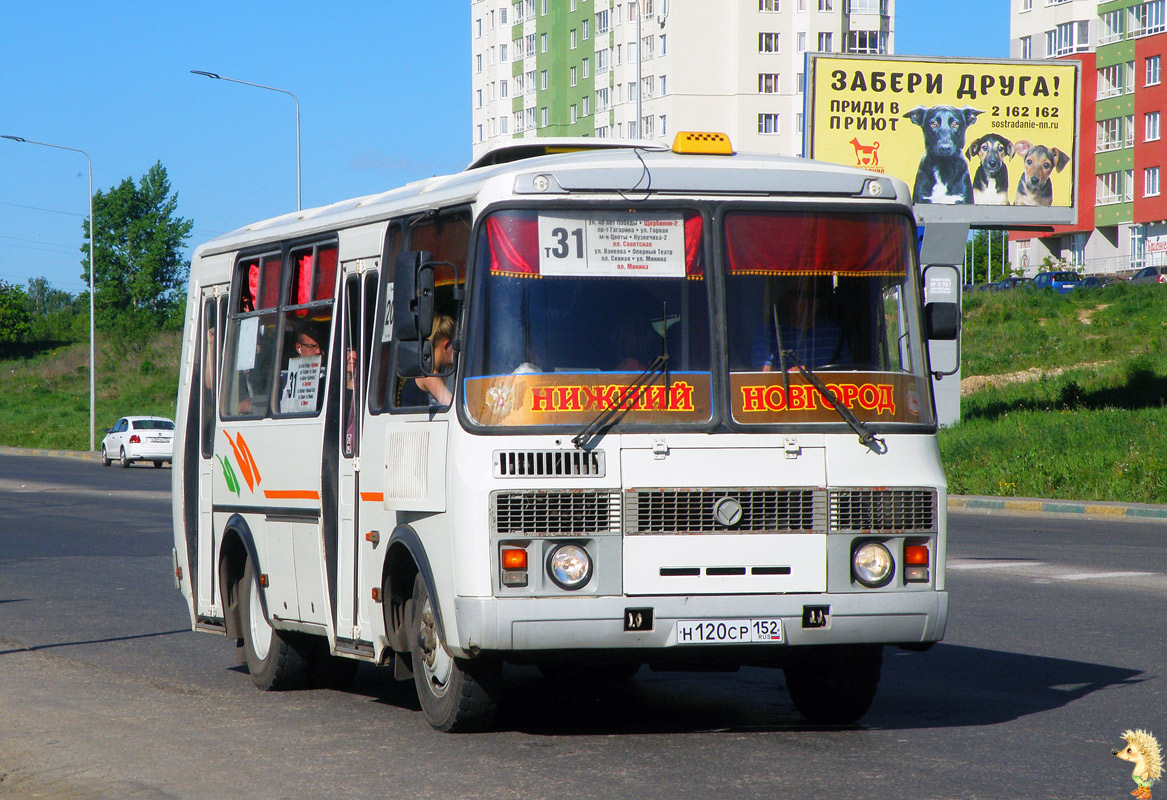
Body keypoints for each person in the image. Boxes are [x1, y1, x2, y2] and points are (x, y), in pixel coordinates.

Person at [751, 276, 848, 371]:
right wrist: (792, 377)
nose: (809, 302)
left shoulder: (834, 334)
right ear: (786, 298)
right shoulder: (768, 334)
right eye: (802, 295)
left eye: (814, 295)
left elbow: (847, 375)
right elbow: (762, 379)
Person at [280, 321, 329, 413]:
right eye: (312, 346)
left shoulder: (328, 376)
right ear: (299, 348)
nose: (318, 351)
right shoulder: (284, 379)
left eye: (321, 347)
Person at [415, 315, 456, 406]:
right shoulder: (429, 375)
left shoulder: (431, 370)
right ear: (446, 345)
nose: (456, 351)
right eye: (454, 346)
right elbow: (451, 404)